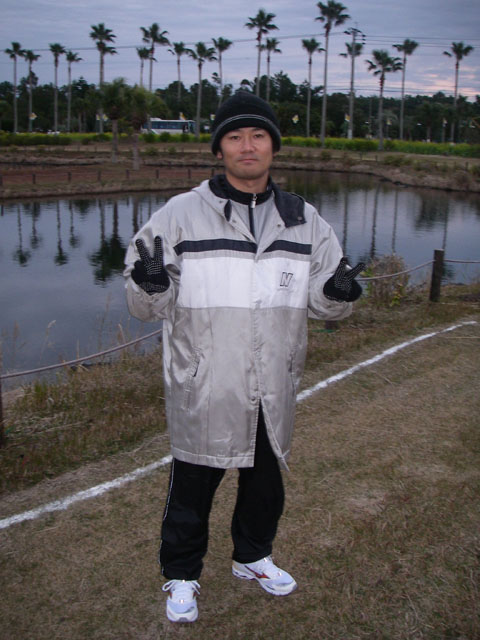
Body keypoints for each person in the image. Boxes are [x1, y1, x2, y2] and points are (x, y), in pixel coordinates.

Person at [124, 93, 363, 623]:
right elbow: (144, 303)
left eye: (258, 135)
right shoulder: (180, 214)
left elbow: (325, 296)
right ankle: (181, 574)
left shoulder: (304, 220)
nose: (247, 146)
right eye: (234, 137)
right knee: (191, 490)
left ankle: (252, 556)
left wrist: (338, 293)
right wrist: (150, 284)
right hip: (206, 383)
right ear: (219, 150)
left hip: (274, 382)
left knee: (264, 485)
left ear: (273, 147)